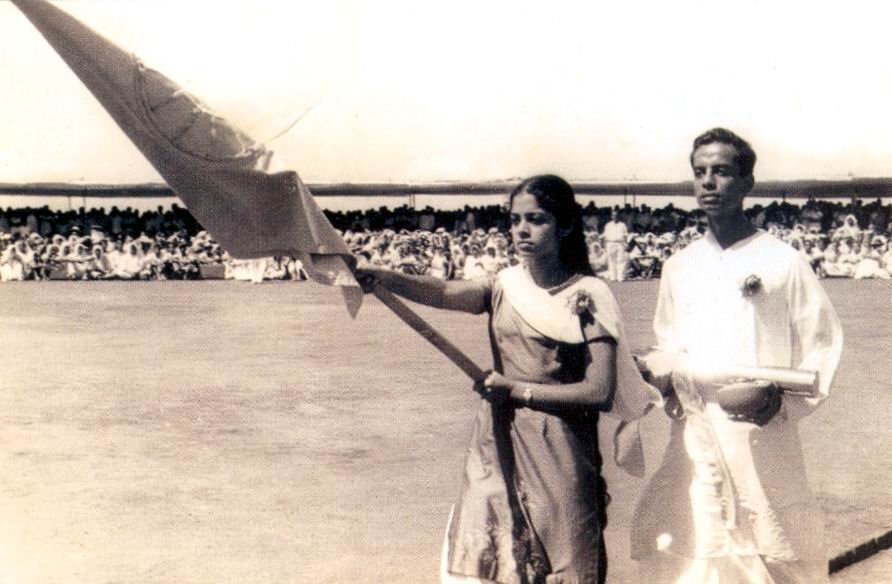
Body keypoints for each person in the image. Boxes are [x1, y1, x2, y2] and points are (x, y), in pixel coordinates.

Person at [357, 175, 658, 583]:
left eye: (536, 219)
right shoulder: (504, 285)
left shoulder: (589, 292)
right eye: (515, 220)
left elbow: (599, 391)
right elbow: (444, 291)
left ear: (565, 226)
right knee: (499, 556)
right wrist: (384, 277)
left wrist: (518, 390)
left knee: (565, 559)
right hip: (498, 439)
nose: (521, 229)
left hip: (560, 447)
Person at [633, 128, 844, 583]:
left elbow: (821, 344)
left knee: (780, 552)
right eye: (700, 172)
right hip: (697, 430)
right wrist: (662, 374)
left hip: (762, 431)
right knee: (706, 553)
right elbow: (668, 341)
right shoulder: (679, 265)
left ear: (747, 182)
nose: (709, 182)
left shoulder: (782, 262)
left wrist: (779, 403)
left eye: (722, 172)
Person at [602, 209, 628, 281]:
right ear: (611, 216)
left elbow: (625, 235)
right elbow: (605, 236)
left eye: (616, 215)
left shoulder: (622, 225)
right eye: (613, 215)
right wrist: (604, 245)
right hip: (610, 243)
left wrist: (626, 244)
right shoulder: (608, 225)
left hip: (620, 243)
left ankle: (620, 277)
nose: (615, 217)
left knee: (620, 260)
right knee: (611, 260)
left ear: (619, 216)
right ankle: (613, 277)